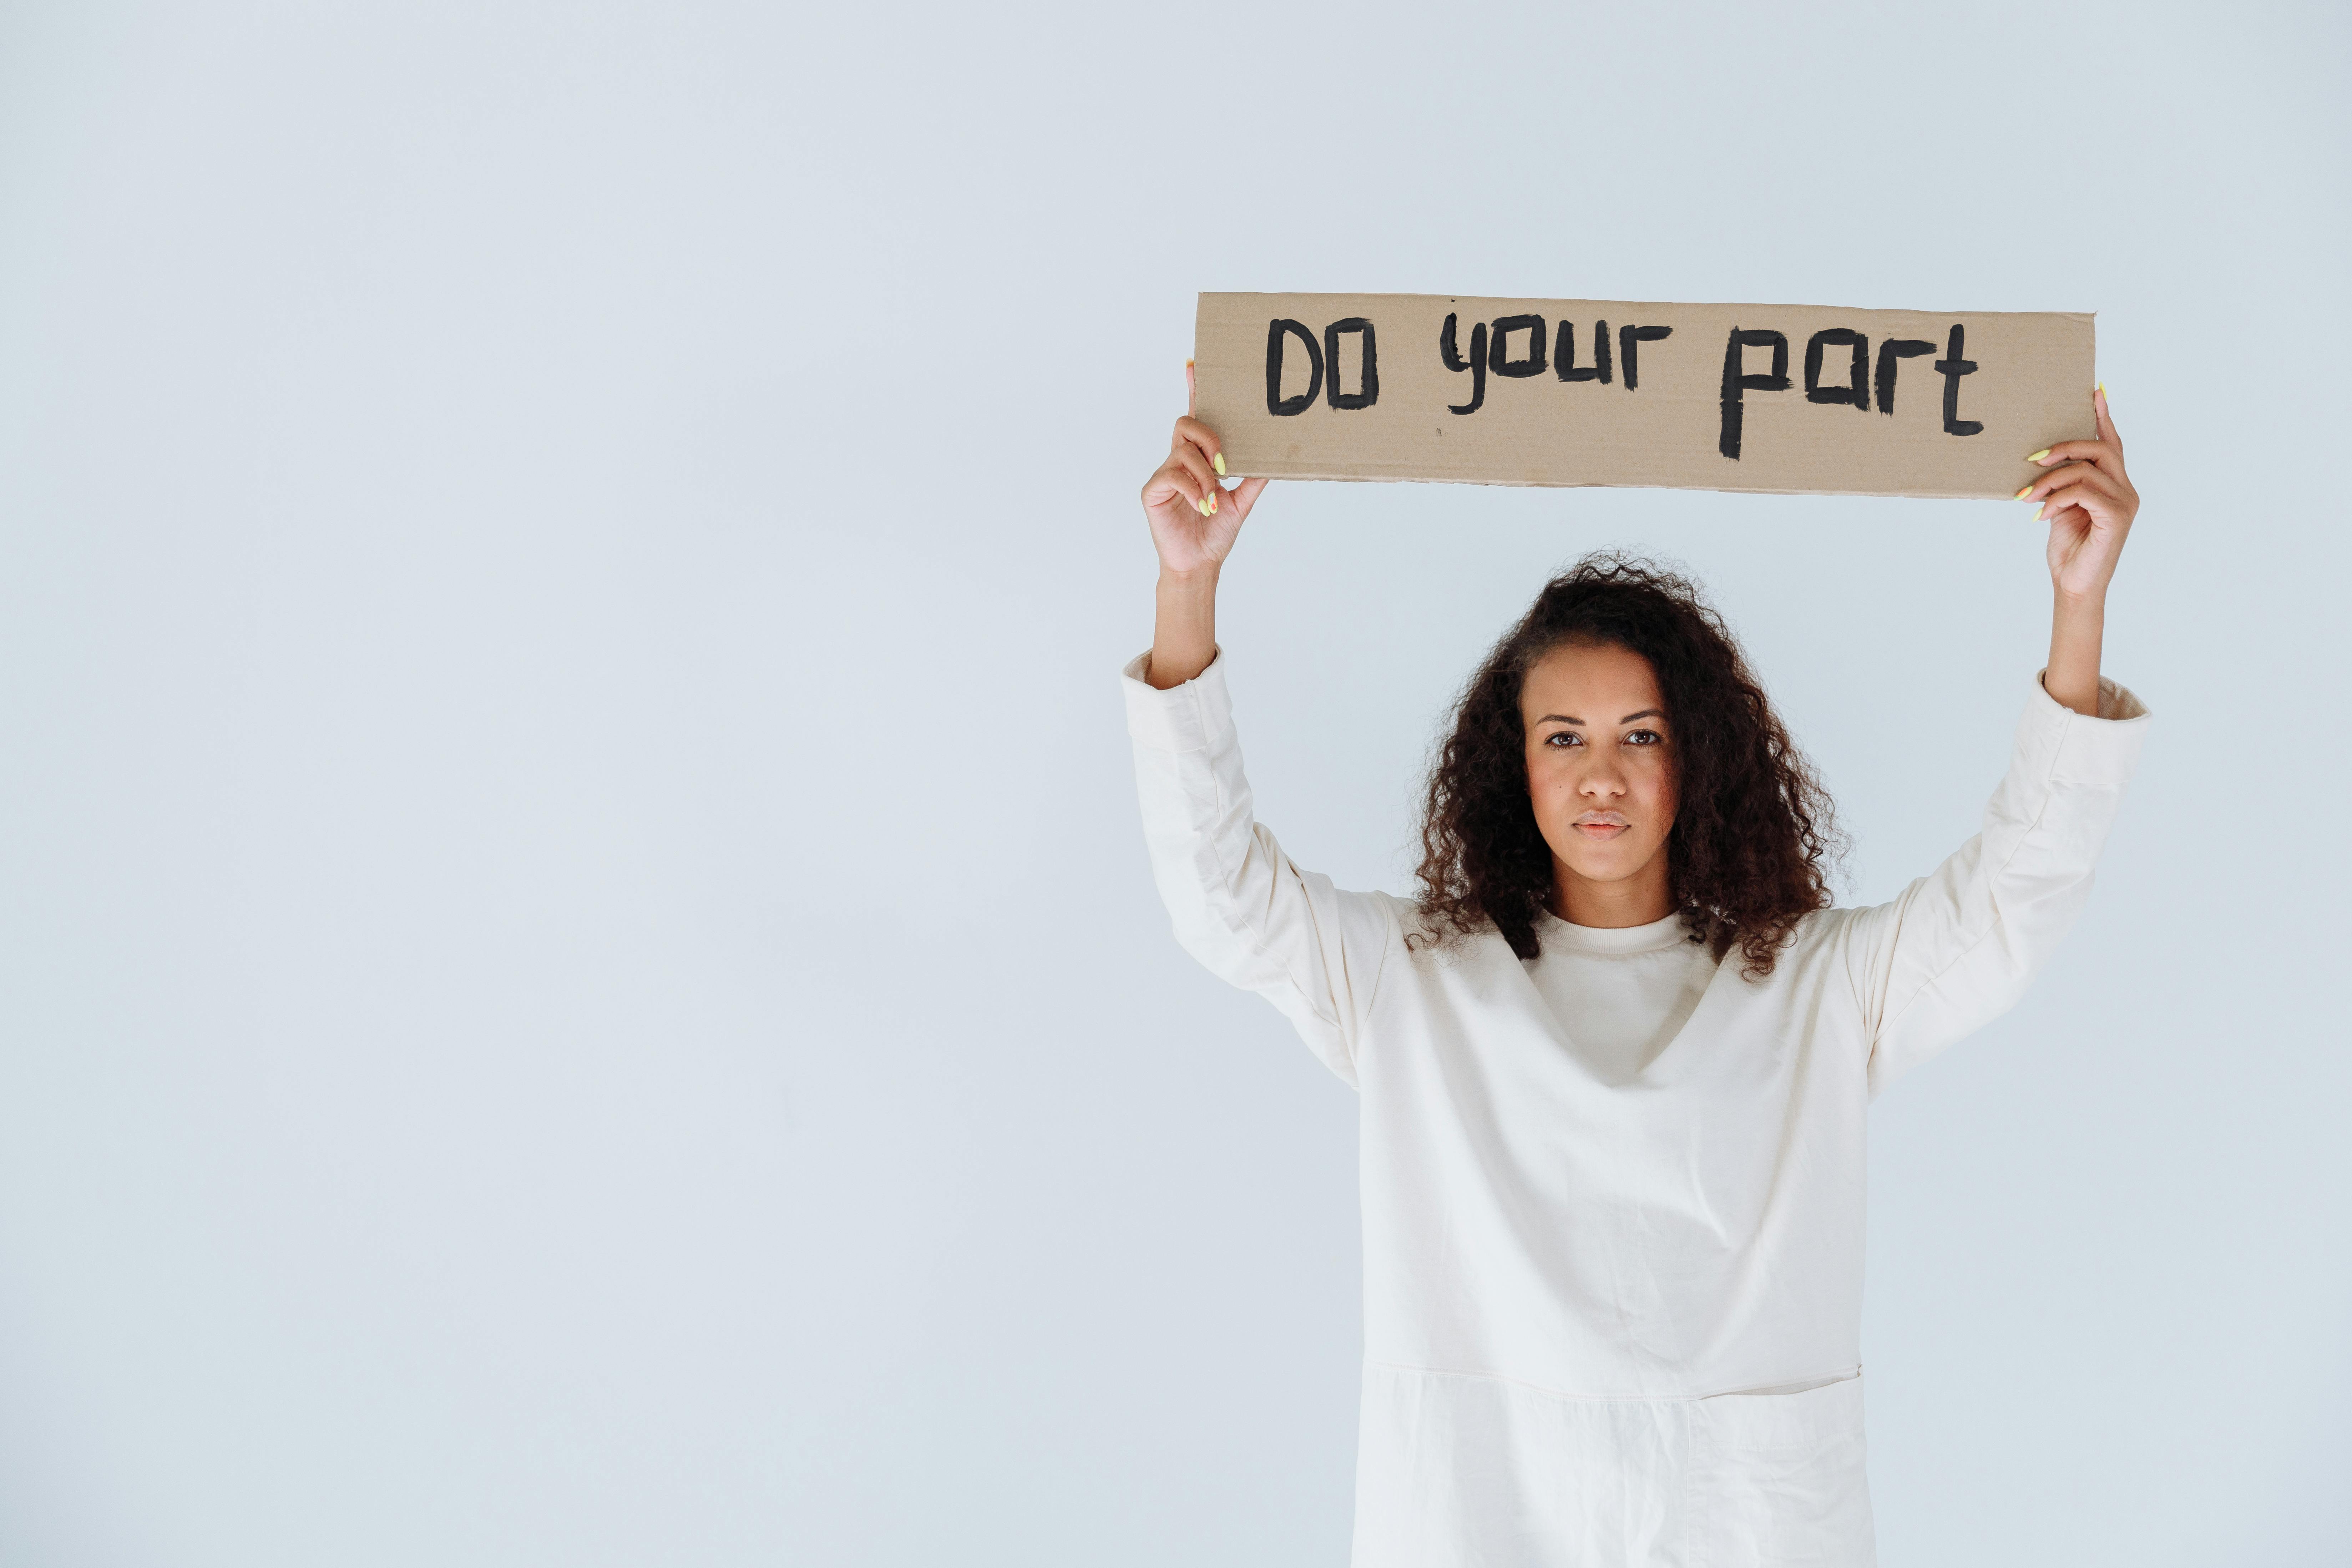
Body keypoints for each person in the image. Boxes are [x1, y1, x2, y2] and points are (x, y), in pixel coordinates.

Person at [1121, 365, 2148, 1566]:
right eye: (1564, 737)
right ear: (1514, 768)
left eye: (1641, 735)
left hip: (1747, 1522)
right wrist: (1185, 585)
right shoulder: (1415, 978)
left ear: (1696, 760)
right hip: (1481, 1516)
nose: (1600, 774)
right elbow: (1219, 891)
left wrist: (2080, 608)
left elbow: (2014, 901)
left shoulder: (1811, 988)